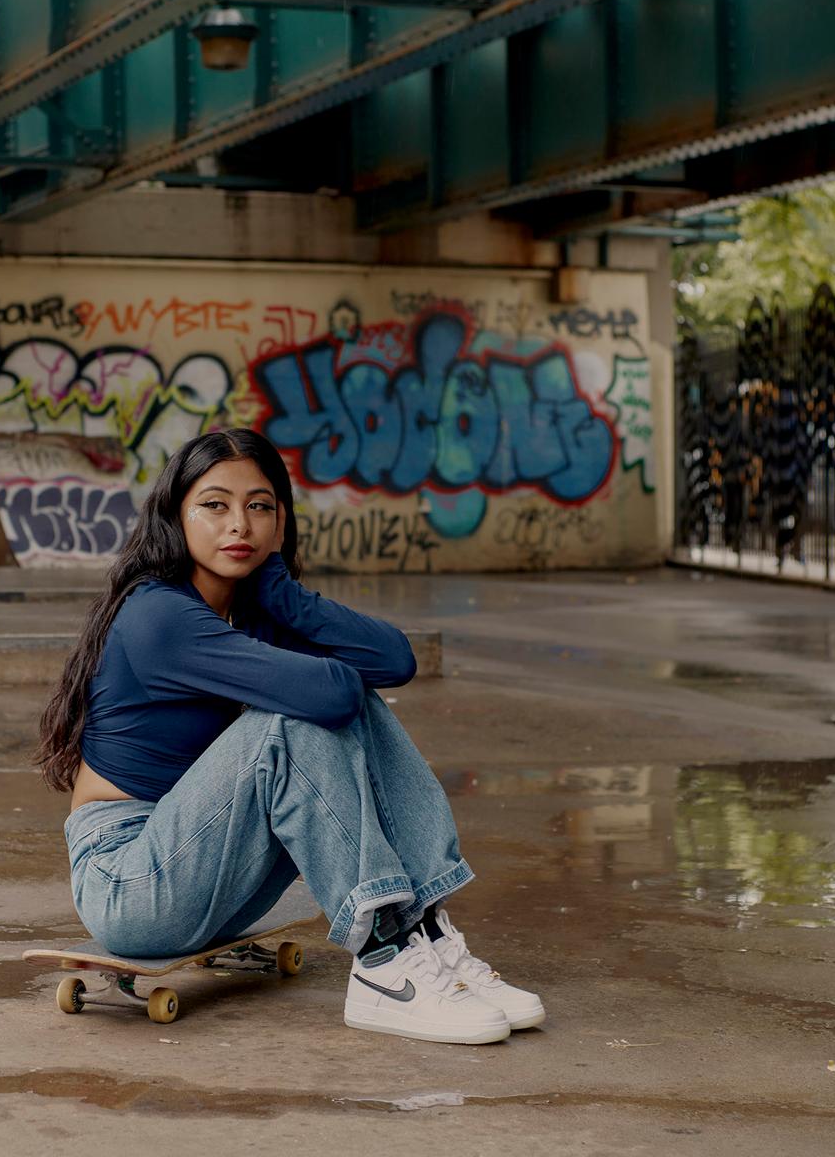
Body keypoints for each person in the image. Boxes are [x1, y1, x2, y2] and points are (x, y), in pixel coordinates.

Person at [36, 427, 543, 1044]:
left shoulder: (249, 612)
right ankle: (384, 962)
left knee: (343, 700)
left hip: (206, 865)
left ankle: (425, 932)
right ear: (175, 517)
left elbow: (395, 660)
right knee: (290, 720)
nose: (239, 525)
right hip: (128, 880)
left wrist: (282, 594)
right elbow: (330, 694)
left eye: (260, 506)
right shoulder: (159, 615)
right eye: (214, 505)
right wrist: (311, 654)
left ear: (280, 522)